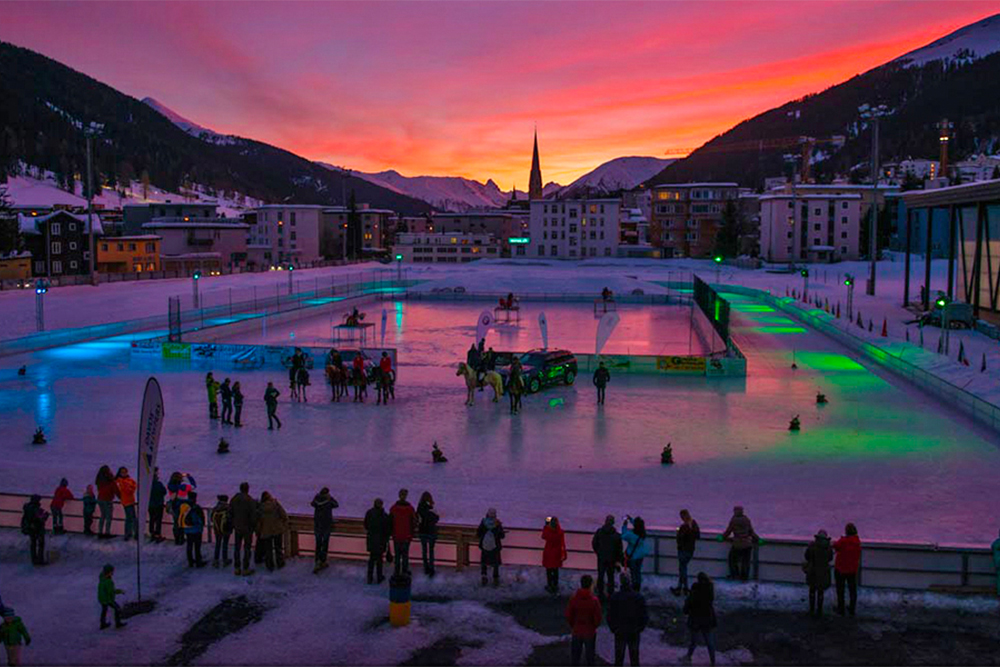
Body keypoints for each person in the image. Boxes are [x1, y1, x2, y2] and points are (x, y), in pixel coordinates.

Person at [608, 572, 648, 666]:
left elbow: (610, 615)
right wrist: (639, 628)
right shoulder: (638, 597)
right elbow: (644, 615)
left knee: (619, 658)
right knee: (634, 658)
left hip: (620, 631)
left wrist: (614, 628)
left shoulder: (615, 597)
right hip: (634, 631)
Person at [565, 574, 602, 666]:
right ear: (590, 585)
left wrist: (573, 625)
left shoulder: (574, 599)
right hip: (589, 631)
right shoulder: (594, 600)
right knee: (590, 657)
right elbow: (598, 617)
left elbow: (569, 615)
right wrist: (594, 626)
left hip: (577, 630)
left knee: (575, 657)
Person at [683, 573, 716, 665]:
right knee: (709, 642)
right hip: (707, 619)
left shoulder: (695, 591)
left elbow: (686, 609)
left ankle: (688, 657)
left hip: (695, 620)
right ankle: (713, 661)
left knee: (693, 641)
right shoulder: (710, 590)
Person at [722, 506, 758, 581]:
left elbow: (728, 532)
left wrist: (722, 538)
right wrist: (758, 539)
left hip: (737, 544)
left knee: (732, 559)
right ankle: (744, 577)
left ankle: (735, 575)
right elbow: (751, 532)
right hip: (747, 544)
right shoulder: (747, 520)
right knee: (746, 562)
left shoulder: (734, 520)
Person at [592, 515, 624, 598]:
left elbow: (594, 543)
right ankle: (610, 594)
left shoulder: (599, 532)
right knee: (611, 577)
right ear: (613, 523)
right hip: (611, 559)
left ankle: (600, 594)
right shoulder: (616, 535)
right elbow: (619, 549)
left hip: (601, 558)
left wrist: (598, 552)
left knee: (601, 576)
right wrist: (618, 560)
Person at [832, 523, 861, 616]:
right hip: (852, 570)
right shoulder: (857, 542)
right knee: (852, 590)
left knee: (840, 590)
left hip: (840, 569)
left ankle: (841, 609)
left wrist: (842, 538)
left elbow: (835, 546)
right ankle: (852, 609)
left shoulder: (843, 541)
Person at [229, 482, 258, 576]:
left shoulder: (234, 499)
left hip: (237, 527)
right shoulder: (250, 500)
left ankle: (237, 568)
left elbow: (230, 512)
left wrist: (233, 523)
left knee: (237, 547)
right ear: (247, 489)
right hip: (247, 528)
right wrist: (254, 526)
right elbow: (253, 516)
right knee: (247, 548)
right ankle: (245, 568)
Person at [804, 529, 833, 617]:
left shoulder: (812, 546)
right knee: (820, 591)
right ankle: (819, 610)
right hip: (823, 572)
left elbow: (807, 556)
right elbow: (830, 558)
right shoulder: (828, 547)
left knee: (812, 590)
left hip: (813, 571)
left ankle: (811, 609)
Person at [256, 491, 288, 571]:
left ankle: (270, 566)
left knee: (268, 550)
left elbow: (259, 521)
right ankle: (280, 563)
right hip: (277, 529)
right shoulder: (275, 505)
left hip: (266, 531)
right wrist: (283, 525)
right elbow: (284, 515)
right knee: (278, 547)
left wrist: (258, 531)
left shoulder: (260, 508)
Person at [672, 510, 700, 596]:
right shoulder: (694, 524)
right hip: (690, 550)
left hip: (682, 550)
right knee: (683, 569)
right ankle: (681, 587)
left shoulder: (684, 527)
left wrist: (677, 533)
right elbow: (698, 536)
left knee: (682, 570)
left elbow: (679, 539)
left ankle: (684, 588)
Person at [389, 489, 417, 576]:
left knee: (397, 555)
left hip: (396, 535)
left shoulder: (393, 508)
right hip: (406, 535)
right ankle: (404, 570)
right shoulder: (410, 509)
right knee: (405, 554)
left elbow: (390, 522)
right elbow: (414, 522)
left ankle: (396, 571)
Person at [311, 487, 339, 573]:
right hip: (326, 525)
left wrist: (316, 497)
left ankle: (317, 561)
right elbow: (336, 504)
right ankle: (322, 561)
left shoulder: (316, 501)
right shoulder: (329, 502)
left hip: (318, 525)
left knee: (318, 544)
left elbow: (312, 504)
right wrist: (330, 498)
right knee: (325, 544)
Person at [364, 498, 391, 584]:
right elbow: (387, 529)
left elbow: (366, 525)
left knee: (372, 559)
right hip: (381, 540)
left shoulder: (369, 513)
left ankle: (370, 577)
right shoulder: (384, 515)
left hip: (371, 539)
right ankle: (379, 576)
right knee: (379, 559)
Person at [477, 508, 506, 586]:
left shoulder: (483, 522)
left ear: (487, 514)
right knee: (495, 563)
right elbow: (502, 536)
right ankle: (495, 579)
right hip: (495, 546)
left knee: (484, 561)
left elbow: (478, 533)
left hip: (485, 546)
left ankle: (484, 577)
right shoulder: (497, 523)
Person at [167, 472, 197, 546]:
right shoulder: (183, 487)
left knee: (176, 523)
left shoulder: (170, 486)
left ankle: (177, 539)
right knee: (183, 522)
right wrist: (189, 477)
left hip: (174, 506)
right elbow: (193, 486)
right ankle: (182, 539)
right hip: (183, 506)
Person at [621, 516, 650, 591]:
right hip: (640, 555)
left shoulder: (631, 535)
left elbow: (623, 535)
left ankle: (634, 588)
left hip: (633, 556)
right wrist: (631, 519)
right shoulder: (642, 533)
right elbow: (638, 525)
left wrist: (624, 525)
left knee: (633, 572)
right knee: (638, 572)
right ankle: (638, 587)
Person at [542, 516, 567, 594]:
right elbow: (563, 544)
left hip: (549, 552)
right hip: (557, 553)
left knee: (549, 570)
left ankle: (550, 585)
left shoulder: (547, 531)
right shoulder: (560, 532)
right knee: (555, 570)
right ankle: (555, 585)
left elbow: (543, 536)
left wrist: (546, 525)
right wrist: (564, 554)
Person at [20, 495, 47, 566]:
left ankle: (34, 559)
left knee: (33, 544)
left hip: (30, 528)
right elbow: (41, 519)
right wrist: (46, 515)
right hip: (37, 528)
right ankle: (40, 560)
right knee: (41, 544)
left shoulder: (27, 508)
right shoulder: (36, 509)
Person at [182, 491, 207, 568]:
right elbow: (202, 519)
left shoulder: (184, 507)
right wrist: (201, 525)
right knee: (197, 546)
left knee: (189, 545)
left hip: (187, 529)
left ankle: (190, 561)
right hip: (196, 530)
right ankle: (198, 561)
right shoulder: (197, 508)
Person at [417, 492, 439, 577]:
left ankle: (426, 568)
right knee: (431, 551)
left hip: (422, 531)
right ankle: (431, 569)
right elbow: (436, 518)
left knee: (424, 550)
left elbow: (418, 518)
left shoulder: (419, 508)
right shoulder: (431, 508)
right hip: (431, 531)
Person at [97, 564, 126, 630]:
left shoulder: (102, 578)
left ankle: (102, 624)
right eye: (112, 572)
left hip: (101, 598)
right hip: (107, 599)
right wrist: (120, 591)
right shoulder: (108, 581)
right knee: (117, 608)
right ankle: (118, 623)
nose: (113, 573)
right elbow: (112, 591)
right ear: (108, 572)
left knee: (104, 610)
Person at [95, 465, 118, 539]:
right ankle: (107, 532)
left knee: (102, 516)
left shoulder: (99, 480)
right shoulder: (110, 481)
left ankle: (100, 532)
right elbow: (116, 490)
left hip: (100, 499)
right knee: (108, 517)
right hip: (108, 500)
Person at [211, 494, 232, 569]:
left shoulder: (215, 508)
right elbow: (231, 519)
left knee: (218, 544)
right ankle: (225, 559)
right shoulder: (228, 508)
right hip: (226, 530)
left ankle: (216, 560)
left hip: (217, 529)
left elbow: (211, 519)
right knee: (225, 544)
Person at [116, 467, 137, 541]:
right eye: (123, 472)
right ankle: (129, 534)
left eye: (125, 472)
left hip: (131, 501)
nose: (124, 473)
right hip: (126, 501)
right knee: (130, 518)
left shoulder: (128, 480)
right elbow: (128, 490)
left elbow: (134, 485)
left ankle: (131, 533)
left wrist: (130, 487)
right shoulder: (120, 481)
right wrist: (130, 487)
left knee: (132, 518)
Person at [148, 468, 167, 542]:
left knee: (152, 519)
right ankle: (157, 534)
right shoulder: (158, 484)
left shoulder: (146, 484)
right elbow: (164, 492)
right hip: (158, 504)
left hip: (150, 504)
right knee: (158, 520)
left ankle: (152, 533)